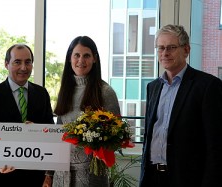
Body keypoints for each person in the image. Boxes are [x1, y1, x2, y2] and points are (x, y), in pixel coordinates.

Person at [139, 24, 222, 187]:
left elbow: (216, 145)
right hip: (153, 177)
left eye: (171, 47)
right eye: (160, 48)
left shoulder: (208, 86)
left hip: (188, 179)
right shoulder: (153, 87)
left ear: (186, 50)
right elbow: (150, 137)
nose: (165, 53)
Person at [43, 36, 120, 187]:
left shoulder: (105, 92)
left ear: (95, 59)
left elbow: (115, 138)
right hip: (61, 174)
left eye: (86, 56)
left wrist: (93, 140)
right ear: (69, 59)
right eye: (76, 55)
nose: (81, 60)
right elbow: (57, 137)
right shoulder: (65, 91)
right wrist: (49, 174)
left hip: (92, 176)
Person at [0, 43, 54, 187]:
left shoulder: (42, 94)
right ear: (6, 64)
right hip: (2, 179)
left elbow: (50, 132)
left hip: (35, 178)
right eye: (17, 62)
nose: (23, 68)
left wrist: (37, 131)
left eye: (28, 62)